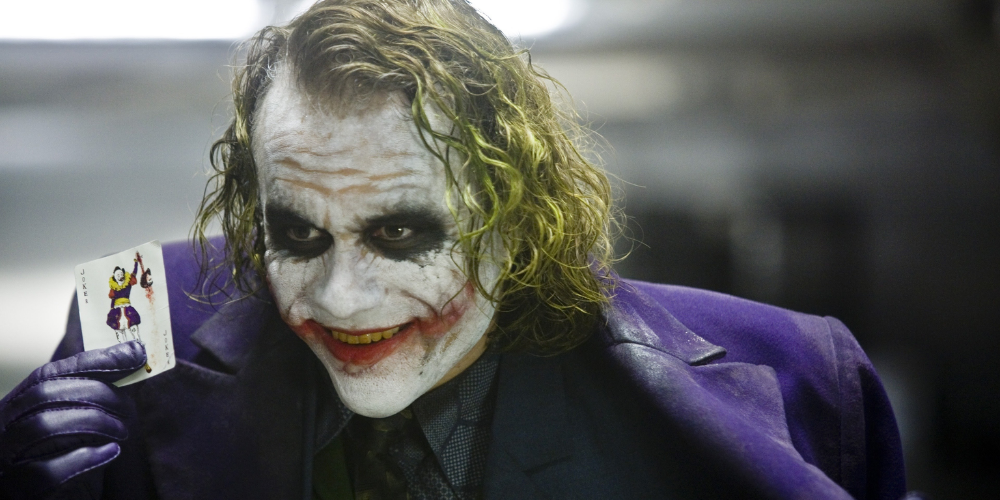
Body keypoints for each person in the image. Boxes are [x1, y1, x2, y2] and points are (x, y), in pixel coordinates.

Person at [0, 1, 907, 499]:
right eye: (298, 234)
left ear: (517, 214)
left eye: (399, 233)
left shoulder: (800, 380)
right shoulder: (137, 321)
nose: (341, 297)